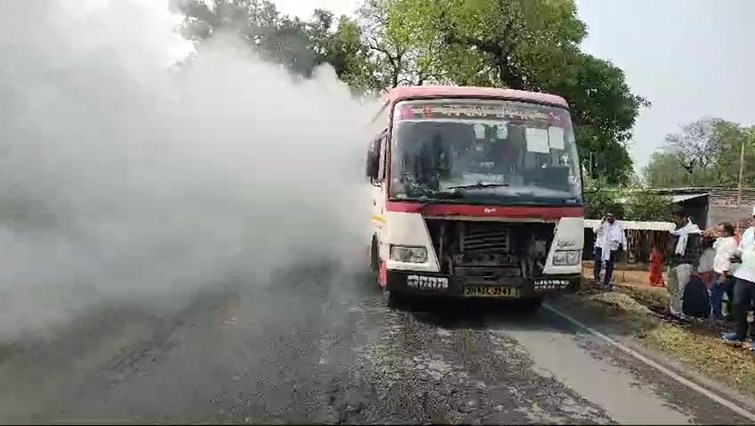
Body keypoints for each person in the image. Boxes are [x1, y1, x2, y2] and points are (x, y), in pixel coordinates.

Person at [723, 207, 755, 350]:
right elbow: (741, 250)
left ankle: (754, 339)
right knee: (737, 304)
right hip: (743, 275)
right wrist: (735, 256)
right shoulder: (748, 232)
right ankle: (739, 333)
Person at [666, 209, 703, 319]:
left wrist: (694, 266)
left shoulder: (693, 232)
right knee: (672, 288)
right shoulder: (674, 231)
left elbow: (696, 250)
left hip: (685, 263)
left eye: (676, 218)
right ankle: (674, 311)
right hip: (673, 262)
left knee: (683, 289)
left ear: (684, 218)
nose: (674, 220)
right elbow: (670, 247)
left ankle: (683, 313)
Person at [593, 212, 627, 291]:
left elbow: (622, 236)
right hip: (601, 246)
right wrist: (601, 223)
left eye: (611, 216)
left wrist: (624, 247)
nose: (609, 218)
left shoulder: (618, 225)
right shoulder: (602, 223)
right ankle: (596, 279)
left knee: (610, 266)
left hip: (612, 248)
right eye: (608, 216)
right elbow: (595, 230)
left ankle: (606, 281)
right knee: (598, 263)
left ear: (614, 217)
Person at [711, 222, 738, 320]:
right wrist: (718, 238)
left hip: (725, 272)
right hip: (718, 269)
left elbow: (729, 258)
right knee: (720, 293)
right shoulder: (722, 240)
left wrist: (724, 272)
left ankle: (718, 314)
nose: (718, 233)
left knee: (718, 293)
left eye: (720, 231)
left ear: (726, 232)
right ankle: (723, 314)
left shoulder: (731, 242)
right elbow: (715, 247)